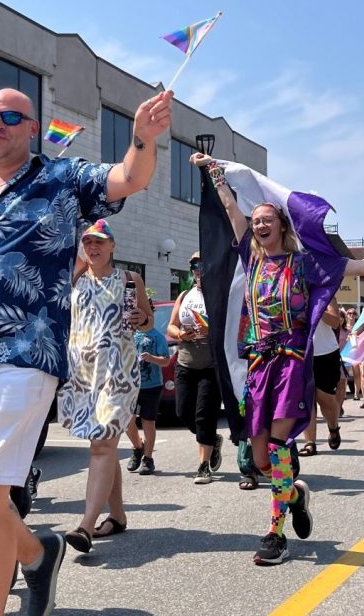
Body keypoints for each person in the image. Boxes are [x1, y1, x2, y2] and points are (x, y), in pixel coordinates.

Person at [0, 86, 171, 616]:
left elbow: (128, 179)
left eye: (11, 116)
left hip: (23, 356)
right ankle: (37, 552)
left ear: (32, 127)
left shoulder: (60, 179)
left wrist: (142, 140)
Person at [190, 152, 364, 567]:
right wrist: (214, 172)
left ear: (282, 225)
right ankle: (296, 495)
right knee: (261, 460)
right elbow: (231, 209)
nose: (259, 224)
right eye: (256, 220)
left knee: (279, 448)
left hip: (291, 364)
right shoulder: (251, 258)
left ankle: (275, 534)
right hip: (259, 367)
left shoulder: (304, 264)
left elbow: (360, 266)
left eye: (267, 219)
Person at [58, 221, 151, 552]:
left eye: (99, 242)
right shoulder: (75, 278)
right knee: (104, 447)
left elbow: (147, 319)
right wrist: (79, 264)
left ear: (112, 245)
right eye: (88, 242)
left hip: (118, 373)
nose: (93, 247)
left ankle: (85, 526)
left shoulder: (129, 279)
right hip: (83, 376)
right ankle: (118, 514)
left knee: (101, 445)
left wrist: (141, 318)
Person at [167, 251, 224, 484]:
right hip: (185, 363)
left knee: (204, 415)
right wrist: (180, 334)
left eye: (202, 264)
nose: (198, 269)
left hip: (211, 366)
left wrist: (213, 331)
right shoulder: (184, 295)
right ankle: (212, 439)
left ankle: (203, 466)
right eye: (194, 265)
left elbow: (232, 328)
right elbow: (171, 326)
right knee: (183, 412)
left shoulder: (219, 295)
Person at [126, 299, 171, 476]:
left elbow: (166, 361)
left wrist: (152, 358)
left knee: (148, 421)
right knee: (127, 420)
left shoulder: (157, 336)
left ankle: (148, 458)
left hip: (152, 385)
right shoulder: (129, 335)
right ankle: (138, 447)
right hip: (130, 384)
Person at [301, 298, 346, 454]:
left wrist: (317, 310)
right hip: (301, 353)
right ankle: (309, 442)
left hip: (325, 353)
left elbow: (335, 322)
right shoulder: (291, 294)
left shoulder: (325, 295)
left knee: (324, 398)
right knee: (306, 397)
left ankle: (333, 426)